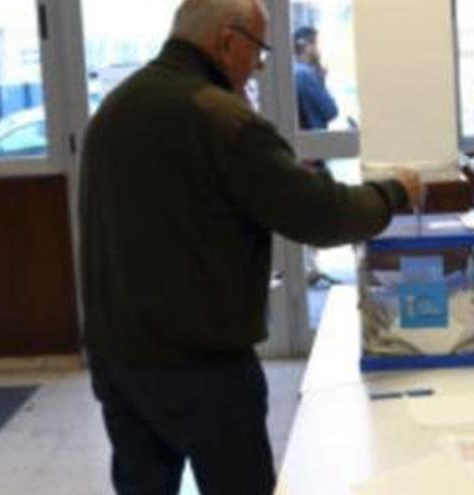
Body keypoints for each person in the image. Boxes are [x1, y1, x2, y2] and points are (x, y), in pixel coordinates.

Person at [79, 1, 421, 493]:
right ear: (227, 41)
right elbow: (322, 215)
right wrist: (393, 192)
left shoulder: (113, 110)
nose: (259, 66)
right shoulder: (218, 116)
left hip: (119, 360)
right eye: (258, 50)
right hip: (201, 369)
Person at [293, 26, 338, 130]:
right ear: (307, 46)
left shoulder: (295, 71)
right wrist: (322, 84)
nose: (319, 49)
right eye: (317, 44)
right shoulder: (305, 75)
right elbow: (331, 111)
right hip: (315, 138)